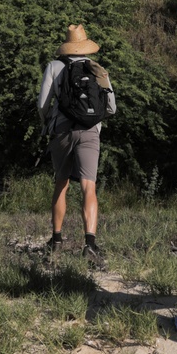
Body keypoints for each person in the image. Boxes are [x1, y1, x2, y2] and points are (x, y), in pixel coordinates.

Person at [37, 24, 116, 267]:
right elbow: (112, 107)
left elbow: (42, 104)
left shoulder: (54, 66)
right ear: (85, 46)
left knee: (61, 183)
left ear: (66, 46)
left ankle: (57, 241)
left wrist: (46, 124)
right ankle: (90, 244)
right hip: (91, 132)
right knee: (88, 187)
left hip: (61, 131)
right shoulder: (97, 69)